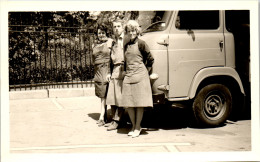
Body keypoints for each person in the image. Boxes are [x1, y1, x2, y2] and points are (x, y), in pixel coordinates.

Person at [121, 20, 154, 138]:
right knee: (129, 103)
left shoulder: (142, 44)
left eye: (133, 30)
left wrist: (146, 73)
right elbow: (125, 62)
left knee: (139, 103)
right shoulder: (126, 45)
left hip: (140, 76)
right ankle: (133, 125)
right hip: (129, 76)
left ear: (137, 31)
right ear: (126, 32)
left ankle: (137, 127)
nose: (131, 33)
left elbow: (150, 59)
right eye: (129, 31)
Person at [105, 19, 127, 131]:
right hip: (114, 70)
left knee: (120, 97)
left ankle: (117, 121)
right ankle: (115, 120)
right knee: (112, 96)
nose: (116, 28)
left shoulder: (127, 39)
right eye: (114, 27)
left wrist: (126, 69)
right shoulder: (113, 42)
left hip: (123, 69)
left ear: (123, 27)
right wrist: (109, 72)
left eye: (119, 26)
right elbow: (109, 59)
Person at [92, 23, 113, 127]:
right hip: (98, 71)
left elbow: (112, 57)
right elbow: (93, 59)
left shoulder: (110, 42)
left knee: (106, 93)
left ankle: (102, 117)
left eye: (102, 33)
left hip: (106, 69)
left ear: (106, 33)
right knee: (102, 94)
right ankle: (104, 116)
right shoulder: (94, 45)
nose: (100, 35)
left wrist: (109, 71)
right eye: (99, 33)